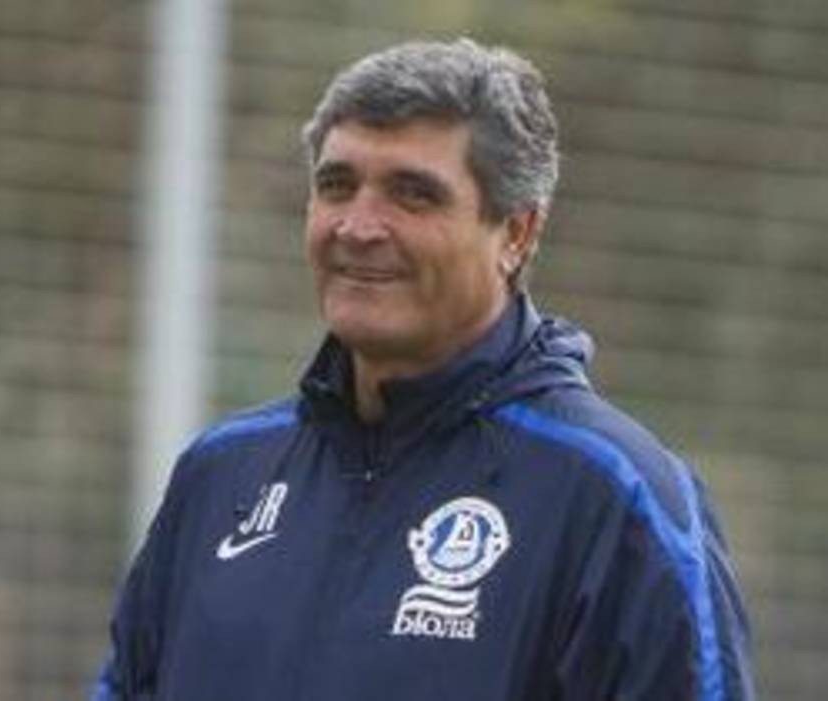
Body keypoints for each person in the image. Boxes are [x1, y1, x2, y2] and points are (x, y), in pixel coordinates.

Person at [92, 38, 754, 700]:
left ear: (516, 232)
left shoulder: (616, 497)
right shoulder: (220, 474)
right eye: (336, 186)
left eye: (413, 195)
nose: (358, 227)